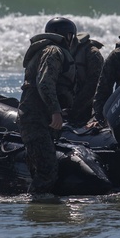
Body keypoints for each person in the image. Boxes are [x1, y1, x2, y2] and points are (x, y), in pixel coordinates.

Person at [19, 17, 77, 195]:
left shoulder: (46, 50)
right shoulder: (54, 51)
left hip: (36, 116)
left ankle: (37, 211)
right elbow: (44, 82)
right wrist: (56, 112)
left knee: (40, 168)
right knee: (47, 171)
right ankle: (37, 209)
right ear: (66, 36)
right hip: (37, 117)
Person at [65, 29, 104, 127]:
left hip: (88, 106)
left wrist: (73, 110)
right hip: (68, 104)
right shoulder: (60, 52)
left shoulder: (92, 53)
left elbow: (94, 86)